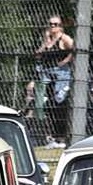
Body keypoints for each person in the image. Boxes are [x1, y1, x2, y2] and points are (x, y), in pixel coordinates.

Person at [35, 16, 73, 146]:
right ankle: (49, 135)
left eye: (55, 24)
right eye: (50, 24)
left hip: (60, 72)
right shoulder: (48, 39)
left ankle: (62, 136)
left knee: (60, 101)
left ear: (61, 25)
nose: (52, 27)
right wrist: (46, 41)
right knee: (43, 100)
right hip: (47, 71)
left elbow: (75, 51)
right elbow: (39, 53)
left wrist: (65, 61)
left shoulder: (65, 38)